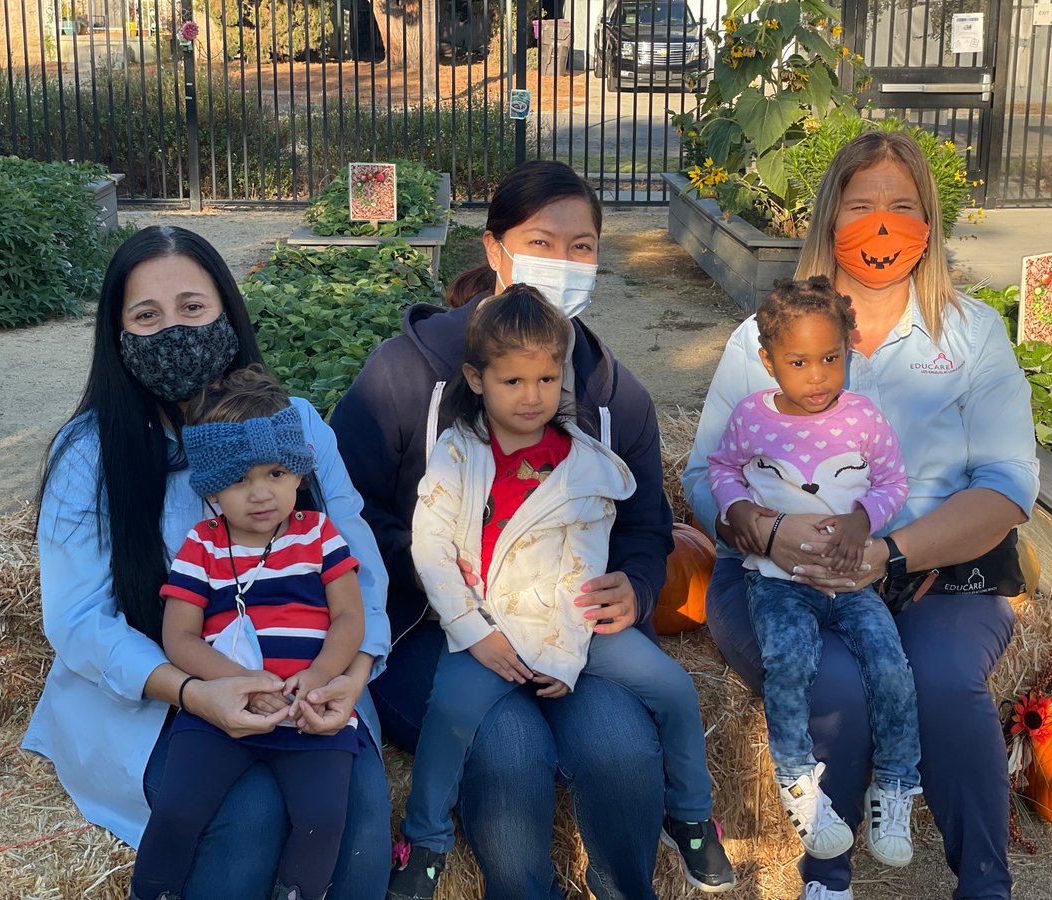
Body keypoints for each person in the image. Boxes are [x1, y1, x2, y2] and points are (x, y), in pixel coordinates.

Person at [683, 132, 1039, 900]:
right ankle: (828, 879)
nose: (883, 224)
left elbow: (1009, 485)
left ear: (930, 220)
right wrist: (764, 528)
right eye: (863, 205)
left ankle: (985, 883)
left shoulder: (973, 334)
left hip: (940, 577)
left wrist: (894, 552)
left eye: (903, 207)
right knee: (833, 683)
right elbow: (702, 471)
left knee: (944, 682)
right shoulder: (765, 338)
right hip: (781, 580)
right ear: (829, 217)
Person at [329, 160, 678, 900]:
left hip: (567, 625)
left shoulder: (619, 399)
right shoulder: (401, 375)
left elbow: (648, 524)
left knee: (619, 745)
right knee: (509, 747)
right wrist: (454, 584)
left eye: (582, 247)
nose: (563, 262)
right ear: (494, 250)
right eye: (541, 241)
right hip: (431, 628)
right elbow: (345, 509)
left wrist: (638, 586)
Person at [23, 226, 393, 900]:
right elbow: (78, 620)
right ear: (119, 337)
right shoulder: (89, 456)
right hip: (154, 693)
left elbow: (360, 566)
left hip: (304, 681)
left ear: (228, 309)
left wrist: (354, 671)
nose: (174, 332)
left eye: (193, 308)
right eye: (147, 317)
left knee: (361, 810)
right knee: (246, 813)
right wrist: (193, 691)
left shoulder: (300, 426)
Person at [388, 286, 734, 899]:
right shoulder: (457, 457)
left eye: (547, 379)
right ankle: (426, 841)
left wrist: (621, 594)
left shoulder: (586, 459)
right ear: (476, 378)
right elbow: (433, 552)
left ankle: (689, 812)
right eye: (513, 381)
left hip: (577, 623)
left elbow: (618, 536)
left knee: (676, 688)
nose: (532, 397)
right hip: (493, 628)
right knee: (449, 721)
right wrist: (474, 631)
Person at [705, 276, 919, 868]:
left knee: (891, 667)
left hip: (852, 583)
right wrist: (740, 509)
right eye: (799, 362)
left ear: (848, 350)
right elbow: (721, 468)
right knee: (790, 663)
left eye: (831, 358)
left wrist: (862, 521)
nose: (819, 375)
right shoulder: (752, 418)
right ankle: (798, 781)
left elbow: (893, 482)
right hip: (777, 583)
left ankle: (897, 784)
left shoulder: (862, 418)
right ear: (770, 362)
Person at [131, 367, 366, 900]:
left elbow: (351, 616)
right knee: (176, 812)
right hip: (220, 710)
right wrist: (241, 683)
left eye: (277, 473)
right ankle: (153, 891)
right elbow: (181, 638)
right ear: (212, 485)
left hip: (312, 710)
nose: (261, 494)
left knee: (323, 822)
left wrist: (321, 676)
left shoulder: (320, 535)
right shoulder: (204, 545)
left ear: (300, 474)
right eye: (239, 480)